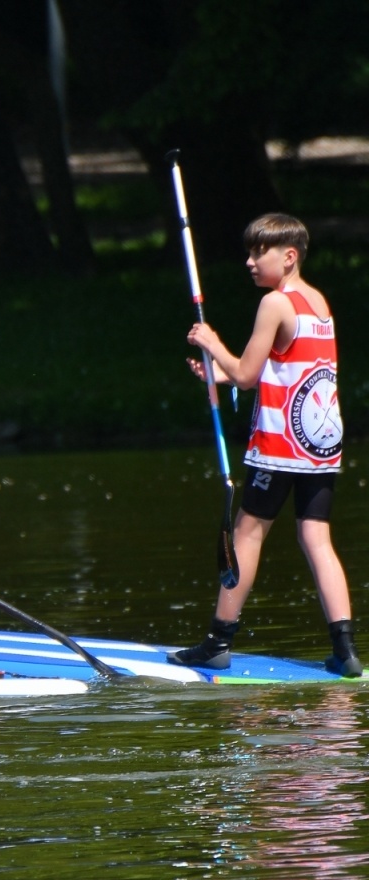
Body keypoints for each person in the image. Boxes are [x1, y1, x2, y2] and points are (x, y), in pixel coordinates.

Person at [169, 213, 360, 675]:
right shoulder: (318, 303)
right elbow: (274, 372)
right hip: (322, 442)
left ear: (288, 256)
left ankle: (217, 641)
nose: (250, 262)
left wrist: (212, 343)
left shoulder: (276, 303)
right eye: (250, 251)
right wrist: (219, 373)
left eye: (260, 252)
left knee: (247, 534)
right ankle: (346, 651)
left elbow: (247, 374)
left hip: (281, 443)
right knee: (316, 537)